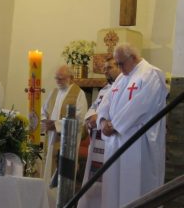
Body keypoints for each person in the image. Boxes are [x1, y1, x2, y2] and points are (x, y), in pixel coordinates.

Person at [97, 44, 167, 208]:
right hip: (116, 142)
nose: (119, 68)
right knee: (113, 191)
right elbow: (105, 102)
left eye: (121, 63)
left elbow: (139, 106)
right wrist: (102, 121)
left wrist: (114, 125)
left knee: (136, 189)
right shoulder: (122, 77)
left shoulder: (151, 74)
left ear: (133, 58)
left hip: (138, 143)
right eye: (118, 64)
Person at [77, 57, 121, 208]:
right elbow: (92, 109)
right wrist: (91, 118)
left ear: (120, 67)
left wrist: (100, 118)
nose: (105, 71)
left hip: (110, 142)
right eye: (104, 68)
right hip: (96, 142)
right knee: (93, 183)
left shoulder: (124, 88)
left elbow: (120, 114)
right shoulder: (104, 89)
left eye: (109, 67)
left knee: (108, 184)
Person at [41, 65, 88, 188]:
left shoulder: (79, 94)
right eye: (56, 78)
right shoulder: (53, 92)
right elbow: (44, 110)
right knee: (48, 170)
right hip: (51, 138)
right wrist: (45, 121)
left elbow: (79, 119)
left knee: (62, 175)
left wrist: (56, 125)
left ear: (71, 78)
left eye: (61, 79)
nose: (58, 81)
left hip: (66, 141)